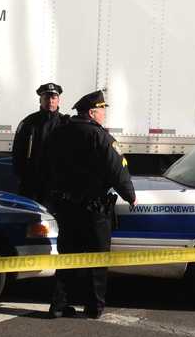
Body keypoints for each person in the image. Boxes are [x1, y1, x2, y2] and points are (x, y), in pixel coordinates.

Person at [42, 89, 135, 319]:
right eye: (102, 110)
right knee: (97, 258)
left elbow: (45, 167)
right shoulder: (101, 137)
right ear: (93, 112)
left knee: (68, 257)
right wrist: (130, 195)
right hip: (95, 208)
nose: (104, 114)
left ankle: (59, 305)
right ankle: (94, 306)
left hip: (65, 206)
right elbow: (118, 171)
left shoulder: (59, 133)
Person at [11, 82, 68, 202]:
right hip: (32, 181)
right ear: (40, 100)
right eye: (46, 98)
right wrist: (23, 176)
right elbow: (18, 152)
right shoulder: (29, 122)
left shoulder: (65, 123)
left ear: (59, 100)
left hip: (57, 182)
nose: (50, 101)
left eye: (54, 98)